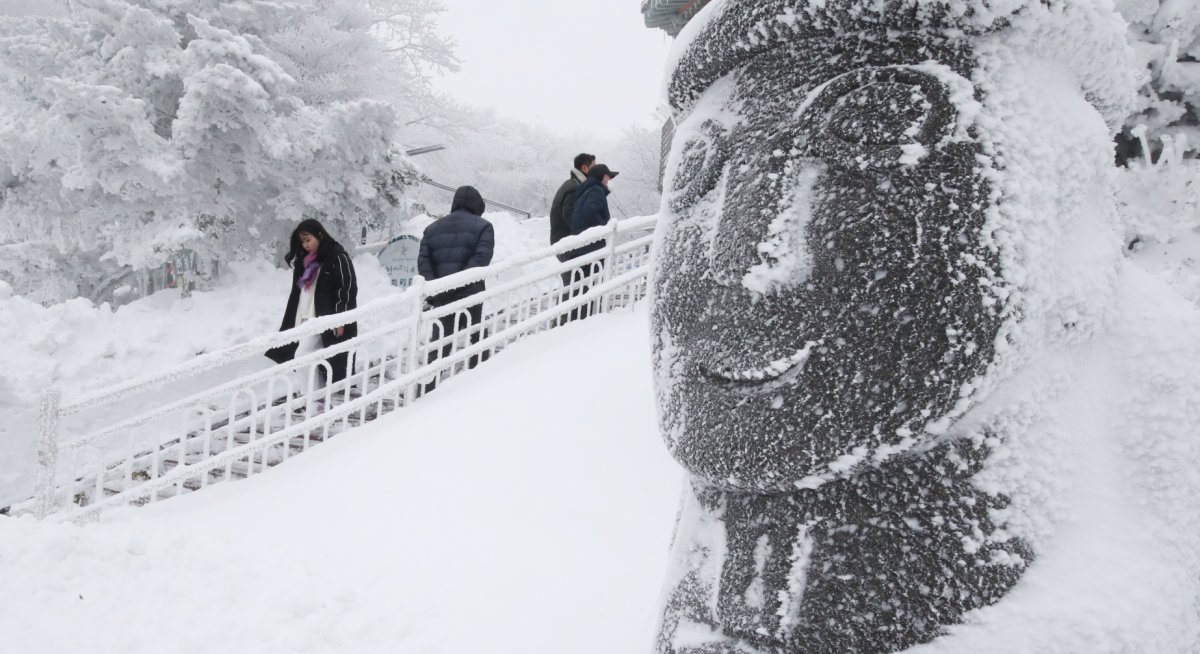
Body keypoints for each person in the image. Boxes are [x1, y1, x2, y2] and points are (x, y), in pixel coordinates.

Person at [417, 185, 495, 392]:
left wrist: (439, 289)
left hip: (442, 298)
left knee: (440, 346)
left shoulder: (432, 229)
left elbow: (423, 264)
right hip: (470, 294)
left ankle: (426, 391)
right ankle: (480, 385)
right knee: (477, 339)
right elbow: (481, 259)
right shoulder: (484, 227)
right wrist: (460, 284)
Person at [266, 218, 359, 389]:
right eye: (302, 242)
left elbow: (347, 288)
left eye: (308, 240)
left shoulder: (337, 258)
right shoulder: (306, 260)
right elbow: (300, 292)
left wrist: (340, 318)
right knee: (309, 357)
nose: (305, 245)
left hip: (324, 318)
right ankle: (318, 396)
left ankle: (314, 400)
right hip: (305, 317)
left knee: (303, 355)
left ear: (320, 235)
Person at [566, 163, 619, 320]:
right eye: (607, 178)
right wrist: (604, 228)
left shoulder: (586, 190)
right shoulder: (596, 191)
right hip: (591, 247)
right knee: (589, 284)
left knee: (581, 285)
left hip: (582, 246)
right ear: (601, 177)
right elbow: (591, 213)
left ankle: (578, 317)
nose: (608, 181)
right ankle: (587, 318)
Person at [549, 153, 595, 253]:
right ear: (585, 168)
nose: (596, 171)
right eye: (593, 167)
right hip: (567, 244)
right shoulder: (575, 188)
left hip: (565, 241)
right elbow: (572, 218)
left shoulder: (573, 184)